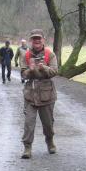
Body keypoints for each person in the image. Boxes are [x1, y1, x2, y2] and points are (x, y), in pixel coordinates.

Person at [20, 29, 58, 159]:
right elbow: (23, 74)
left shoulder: (50, 54)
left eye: (39, 38)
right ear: (31, 40)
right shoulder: (26, 55)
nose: (36, 40)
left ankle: (50, 141)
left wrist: (44, 68)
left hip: (46, 94)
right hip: (30, 94)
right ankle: (27, 147)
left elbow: (54, 71)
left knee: (48, 123)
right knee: (28, 123)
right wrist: (30, 70)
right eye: (34, 38)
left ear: (43, 40)